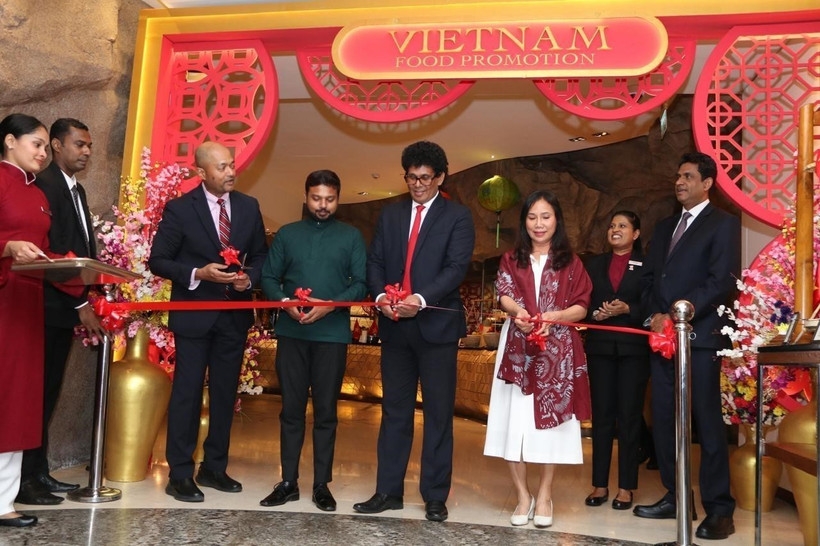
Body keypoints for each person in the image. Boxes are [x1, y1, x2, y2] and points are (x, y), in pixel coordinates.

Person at [353, 141, 474, 522]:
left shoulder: (458, 217)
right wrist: (379, 296)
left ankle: (435, 495)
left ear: (439, 177)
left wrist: (419, 299)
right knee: (394, 413)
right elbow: (374, 263)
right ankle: (388, 491)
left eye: (425, 178)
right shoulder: (390, 216)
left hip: (435, 327)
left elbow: (456, 268)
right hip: (394, 327)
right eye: (411, 177)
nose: (417, 184)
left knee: (438, 414)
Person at [148, 141, 267, 503]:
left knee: (225, 395)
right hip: (194, 316)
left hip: (233, 317)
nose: (230, 172)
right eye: (221, 167)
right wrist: (198, 273)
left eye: (231, 165)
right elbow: (159, 260)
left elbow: (261, 254)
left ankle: (214, 467)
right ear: (202, 172)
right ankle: (180, 472)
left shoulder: (249, 207)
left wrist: (250, 278)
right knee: (186, 394)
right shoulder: (181, 210)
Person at [635, 151, 739, 540]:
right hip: (663, 341)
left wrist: (683, 311)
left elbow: (722, 279)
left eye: (688, 176)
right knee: (662, 421)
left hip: (700, 340)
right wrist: (657, 316)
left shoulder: (724, 224)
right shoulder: (663, 228)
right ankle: (676, 496)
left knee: (707, 425)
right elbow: (648, 281)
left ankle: (719, 510)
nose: (679, 182)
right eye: (677, 176)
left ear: (708, 183)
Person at [483, 190, 592, 529]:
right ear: (524, 221)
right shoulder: (510, 259)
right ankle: (522, 495)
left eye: (545, 216)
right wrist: (518, 313)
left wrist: (556, 314)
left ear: (556, 220)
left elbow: (582, 305)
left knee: (551, 428)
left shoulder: (571, 262)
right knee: (514, 423)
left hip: (556, 353)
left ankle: (544, 494)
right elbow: (505, 295)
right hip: (517, 348)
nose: (539, 224)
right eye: (532, 217)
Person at [259, 169, 367, 512]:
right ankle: (288, 481)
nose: (323, 205)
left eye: (330, 199)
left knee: (326, 412)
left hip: (331, 335)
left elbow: (361, 284)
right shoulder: (288, 235)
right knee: (290, 410)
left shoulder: (351, 237)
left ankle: (322, 484)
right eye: (317, 198)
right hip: (292, 334)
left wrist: (330, 305)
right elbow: (269, 278)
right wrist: (285, 302)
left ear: (338, 198)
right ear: (306, 197)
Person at [15, 119, 107, 506]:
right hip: (47, 305)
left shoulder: (75, 188)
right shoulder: (45, 185)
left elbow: (80, 247)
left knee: (48, 392)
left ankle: (37, 471)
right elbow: (52, 251)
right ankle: (23, 480)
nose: (86, 151)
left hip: (62, 306)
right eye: (79, 144)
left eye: (89, 145)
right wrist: (81, 302)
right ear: (55, 145)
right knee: (34, 394)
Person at [0, 113, 52, 527]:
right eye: (36, 143)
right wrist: (8, 245)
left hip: (26, 303)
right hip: (3, 301)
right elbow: (13, 244)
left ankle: (4, 501)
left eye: (46, 146)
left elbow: (42, 249)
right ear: (10, 141)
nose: (43, 152)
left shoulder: (38, 192)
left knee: (17, 401)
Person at [583, 210, 650, 511]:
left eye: (622, 226)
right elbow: (583, 300)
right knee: (602, 417)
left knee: (629, 417)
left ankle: (626, 487)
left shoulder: (646, 264)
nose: (615, 230)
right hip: (600, 348)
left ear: (635, 234)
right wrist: (596, 313)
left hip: (633, 350)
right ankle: (599, 484)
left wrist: (629, 309)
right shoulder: (595, 264)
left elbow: (651, 303)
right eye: (612, 226)